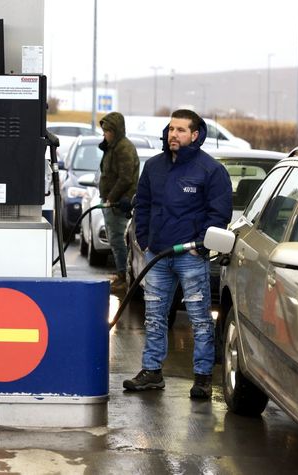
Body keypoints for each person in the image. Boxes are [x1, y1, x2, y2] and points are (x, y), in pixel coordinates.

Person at [123, 109, 232, 399]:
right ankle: (151, 372)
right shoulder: (154, 167)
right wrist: (145, 240)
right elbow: (142, 205)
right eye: (171, 129)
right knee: (155, 317)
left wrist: (201, 245)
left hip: (190, 256)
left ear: (195, 135)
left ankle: (203, 377)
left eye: (181, 130)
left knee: (199, 319)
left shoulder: (210, 170)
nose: (174, 134)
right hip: (157, 255)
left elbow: (219, 214)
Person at [97, 111, 139, 298]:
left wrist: (111, 198)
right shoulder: (112, 148)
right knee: (114, 240)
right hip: (111, 201)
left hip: (117, 203)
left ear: (116, 130)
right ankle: (121, 274)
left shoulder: (124, 148)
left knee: (117, 240)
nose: (105, 134)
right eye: (104, 131)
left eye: (108, 131)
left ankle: (123, 276)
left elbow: (125, 178)